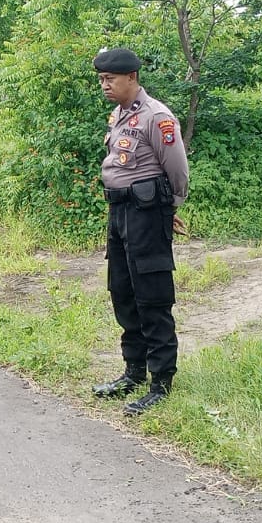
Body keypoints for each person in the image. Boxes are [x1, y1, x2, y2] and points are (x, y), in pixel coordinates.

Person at [89, 48, 190, 416]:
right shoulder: (119, 115)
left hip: (147, 211)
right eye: (101, 80)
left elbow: (176, 168)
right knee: (123, 290)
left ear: (132, 77)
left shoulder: (156, 116)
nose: (105, 85)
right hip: (119, 211)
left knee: (152, 294)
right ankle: (133, 370)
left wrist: (169, 209)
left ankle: (161, 380)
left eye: (110, 79)